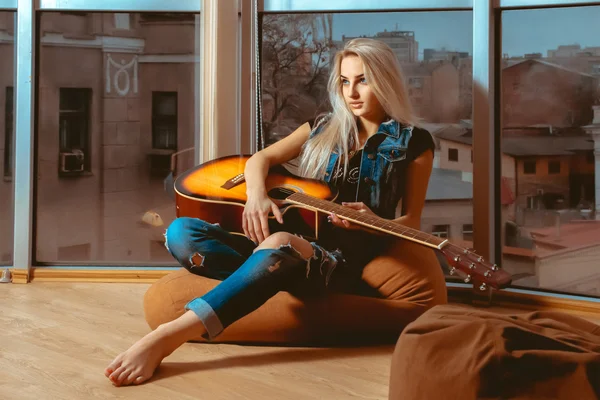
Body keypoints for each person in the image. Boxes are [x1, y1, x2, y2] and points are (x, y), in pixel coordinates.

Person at [104, 38, 442, 387]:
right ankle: (264, 275)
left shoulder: (414, 143)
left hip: (337, 262)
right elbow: (259, 160)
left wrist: (372, 224)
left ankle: (168, 335)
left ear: (384, 80)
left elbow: (411, 222)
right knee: (180, 232)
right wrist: (255, 198)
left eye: (363, 80)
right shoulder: (323, 127)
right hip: (284, 240)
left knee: (281, 243)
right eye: (344, 80)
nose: (352, 92)